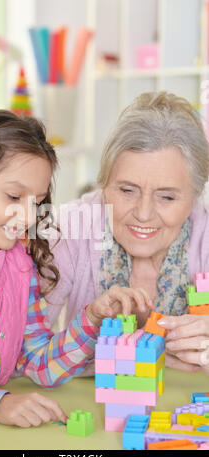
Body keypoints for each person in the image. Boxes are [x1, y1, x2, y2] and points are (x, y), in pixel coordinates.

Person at [0, 110, 150, 450]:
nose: (26, 216)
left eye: (35, 203)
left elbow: (37, 362)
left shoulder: (19, 266)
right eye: (12, 197)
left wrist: (92, 319)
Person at [43, 91, 209, 377]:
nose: (143, 213)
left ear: (194, 197)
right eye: (127, 190)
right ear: (104, 182)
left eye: (167, 197)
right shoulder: (69, 229)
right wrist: (125, 358)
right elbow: (20, 352)